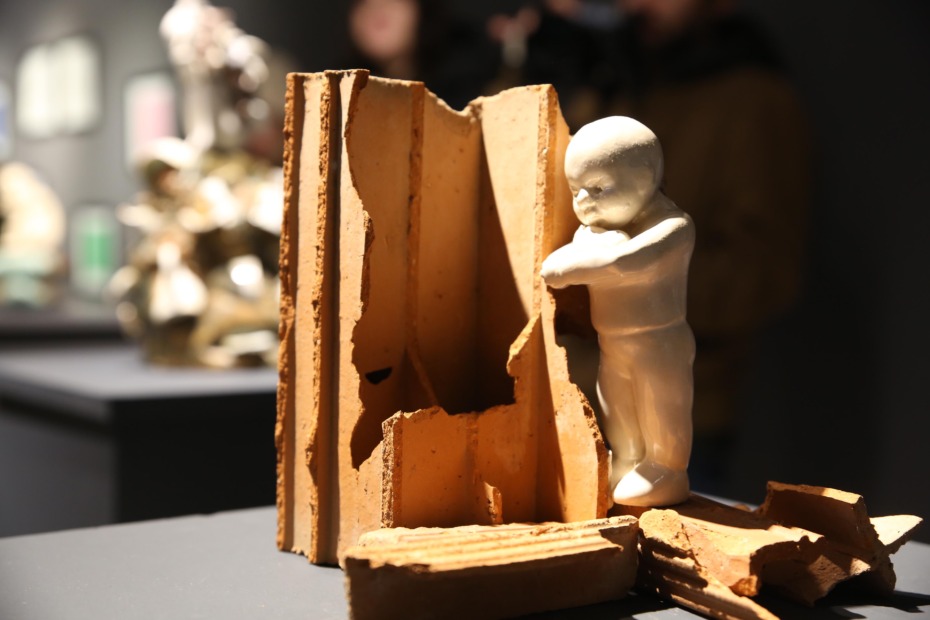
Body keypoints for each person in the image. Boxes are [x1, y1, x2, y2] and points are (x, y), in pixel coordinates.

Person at [601, 0, 811, 490]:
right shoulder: (625, 79)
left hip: (685, 407)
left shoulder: (753, 101)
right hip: (588, 392)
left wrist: (620, 282)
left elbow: (761, 274)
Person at [542, 116, 695, 507]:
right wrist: (580, 255)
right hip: (611, 342)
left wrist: (574, 265)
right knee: (617, 410)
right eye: (575, 190)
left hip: (659, 342)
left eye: (598, 188)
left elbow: (625, 264)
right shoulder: (597, 232)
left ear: (645, 178)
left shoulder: (674, 228)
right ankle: (627, 461)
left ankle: (667, 468)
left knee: (661, 407)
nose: (583, 202)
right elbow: (567, 260)